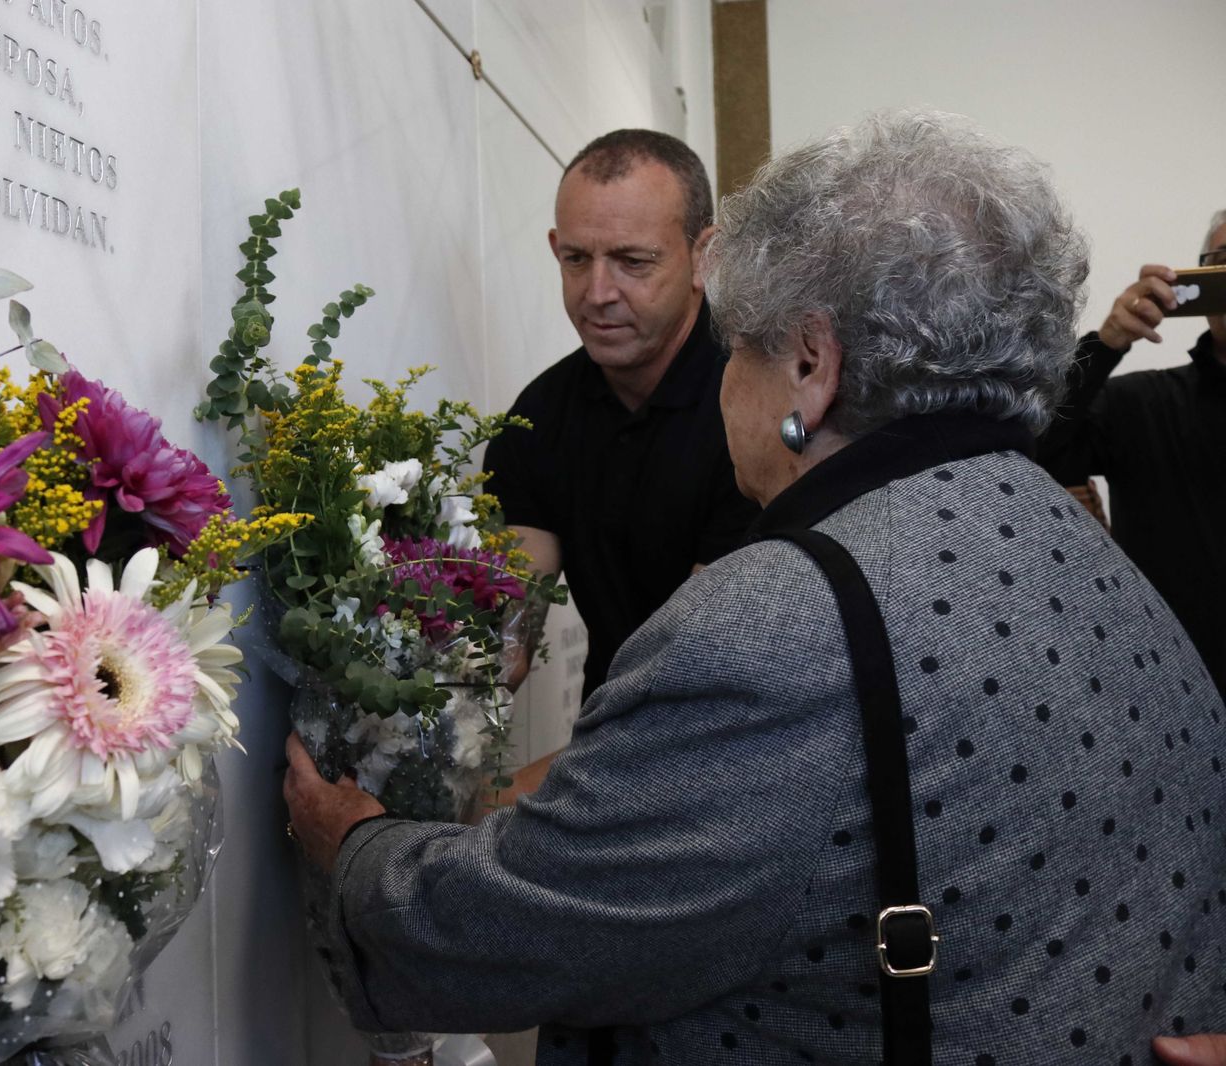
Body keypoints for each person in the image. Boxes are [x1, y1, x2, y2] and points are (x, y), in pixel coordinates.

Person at [285, 111, 1226, 1064]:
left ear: (810, 366)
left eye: (740, 347)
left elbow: (522, 929)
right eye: (576, 257)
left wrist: (358, 844)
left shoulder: (771, 627)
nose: (600, 293)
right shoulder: (1074, 544)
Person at [482, 129, 757, 704]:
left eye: (633, 262)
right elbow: (503, 644)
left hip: (740, 728)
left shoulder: (756, 404)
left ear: (704, 257)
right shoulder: (537, 420)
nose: (598, 292)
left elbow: (698, 661)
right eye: (576, 259)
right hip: (611, 726)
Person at [1038, 211, 1226, 692]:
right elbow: (1037, 454)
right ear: (1201, 278)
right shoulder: (1139, 404)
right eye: (1223, 262)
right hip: (1173, 690)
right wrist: (1106, 344)